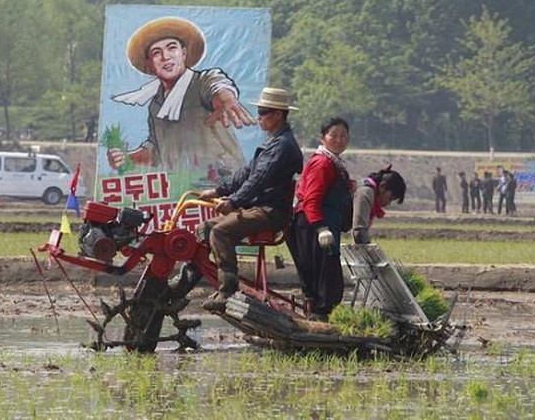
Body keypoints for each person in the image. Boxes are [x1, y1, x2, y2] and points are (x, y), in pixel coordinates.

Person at [198, 87, 303, 313]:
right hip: (259, 208)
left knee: (220, 232)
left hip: (270, 212)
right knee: (204, 229)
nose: (259, 117)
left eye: (263, 112)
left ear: (277, 114)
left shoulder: (282, 146)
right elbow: (246, 173)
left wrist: (233, 202)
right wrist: (218, 191)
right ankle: (189, 280)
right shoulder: (273, 142)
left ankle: (227, 291)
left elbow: (258, 180)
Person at [108, 16, 255, 171]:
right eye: (157, 53)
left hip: (222, 183)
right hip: (182, 187)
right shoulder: (156, 105)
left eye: (172, 48)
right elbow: (157, 150)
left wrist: (225, 99)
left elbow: (217, 85)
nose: (166, 57)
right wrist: (126, 158)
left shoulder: (201, 82)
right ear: (149, 63)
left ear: (184, 53)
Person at [286, 117, 353, 321]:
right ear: (322, 137)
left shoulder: (334, 163)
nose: (339, 140)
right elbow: (311, 199)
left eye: (343, 136)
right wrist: (320, 228)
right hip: (314, 227)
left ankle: (321, 315)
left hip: (324, 227)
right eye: (334, 136)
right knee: (322, 276)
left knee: (327, 274)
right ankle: (318, 318)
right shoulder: (322, 163)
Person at [352, 166, 407, 244]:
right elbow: (359, 232)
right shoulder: (365, 193)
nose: (388, 203)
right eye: (390, 198)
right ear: (382, 186)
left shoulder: (370, 193)